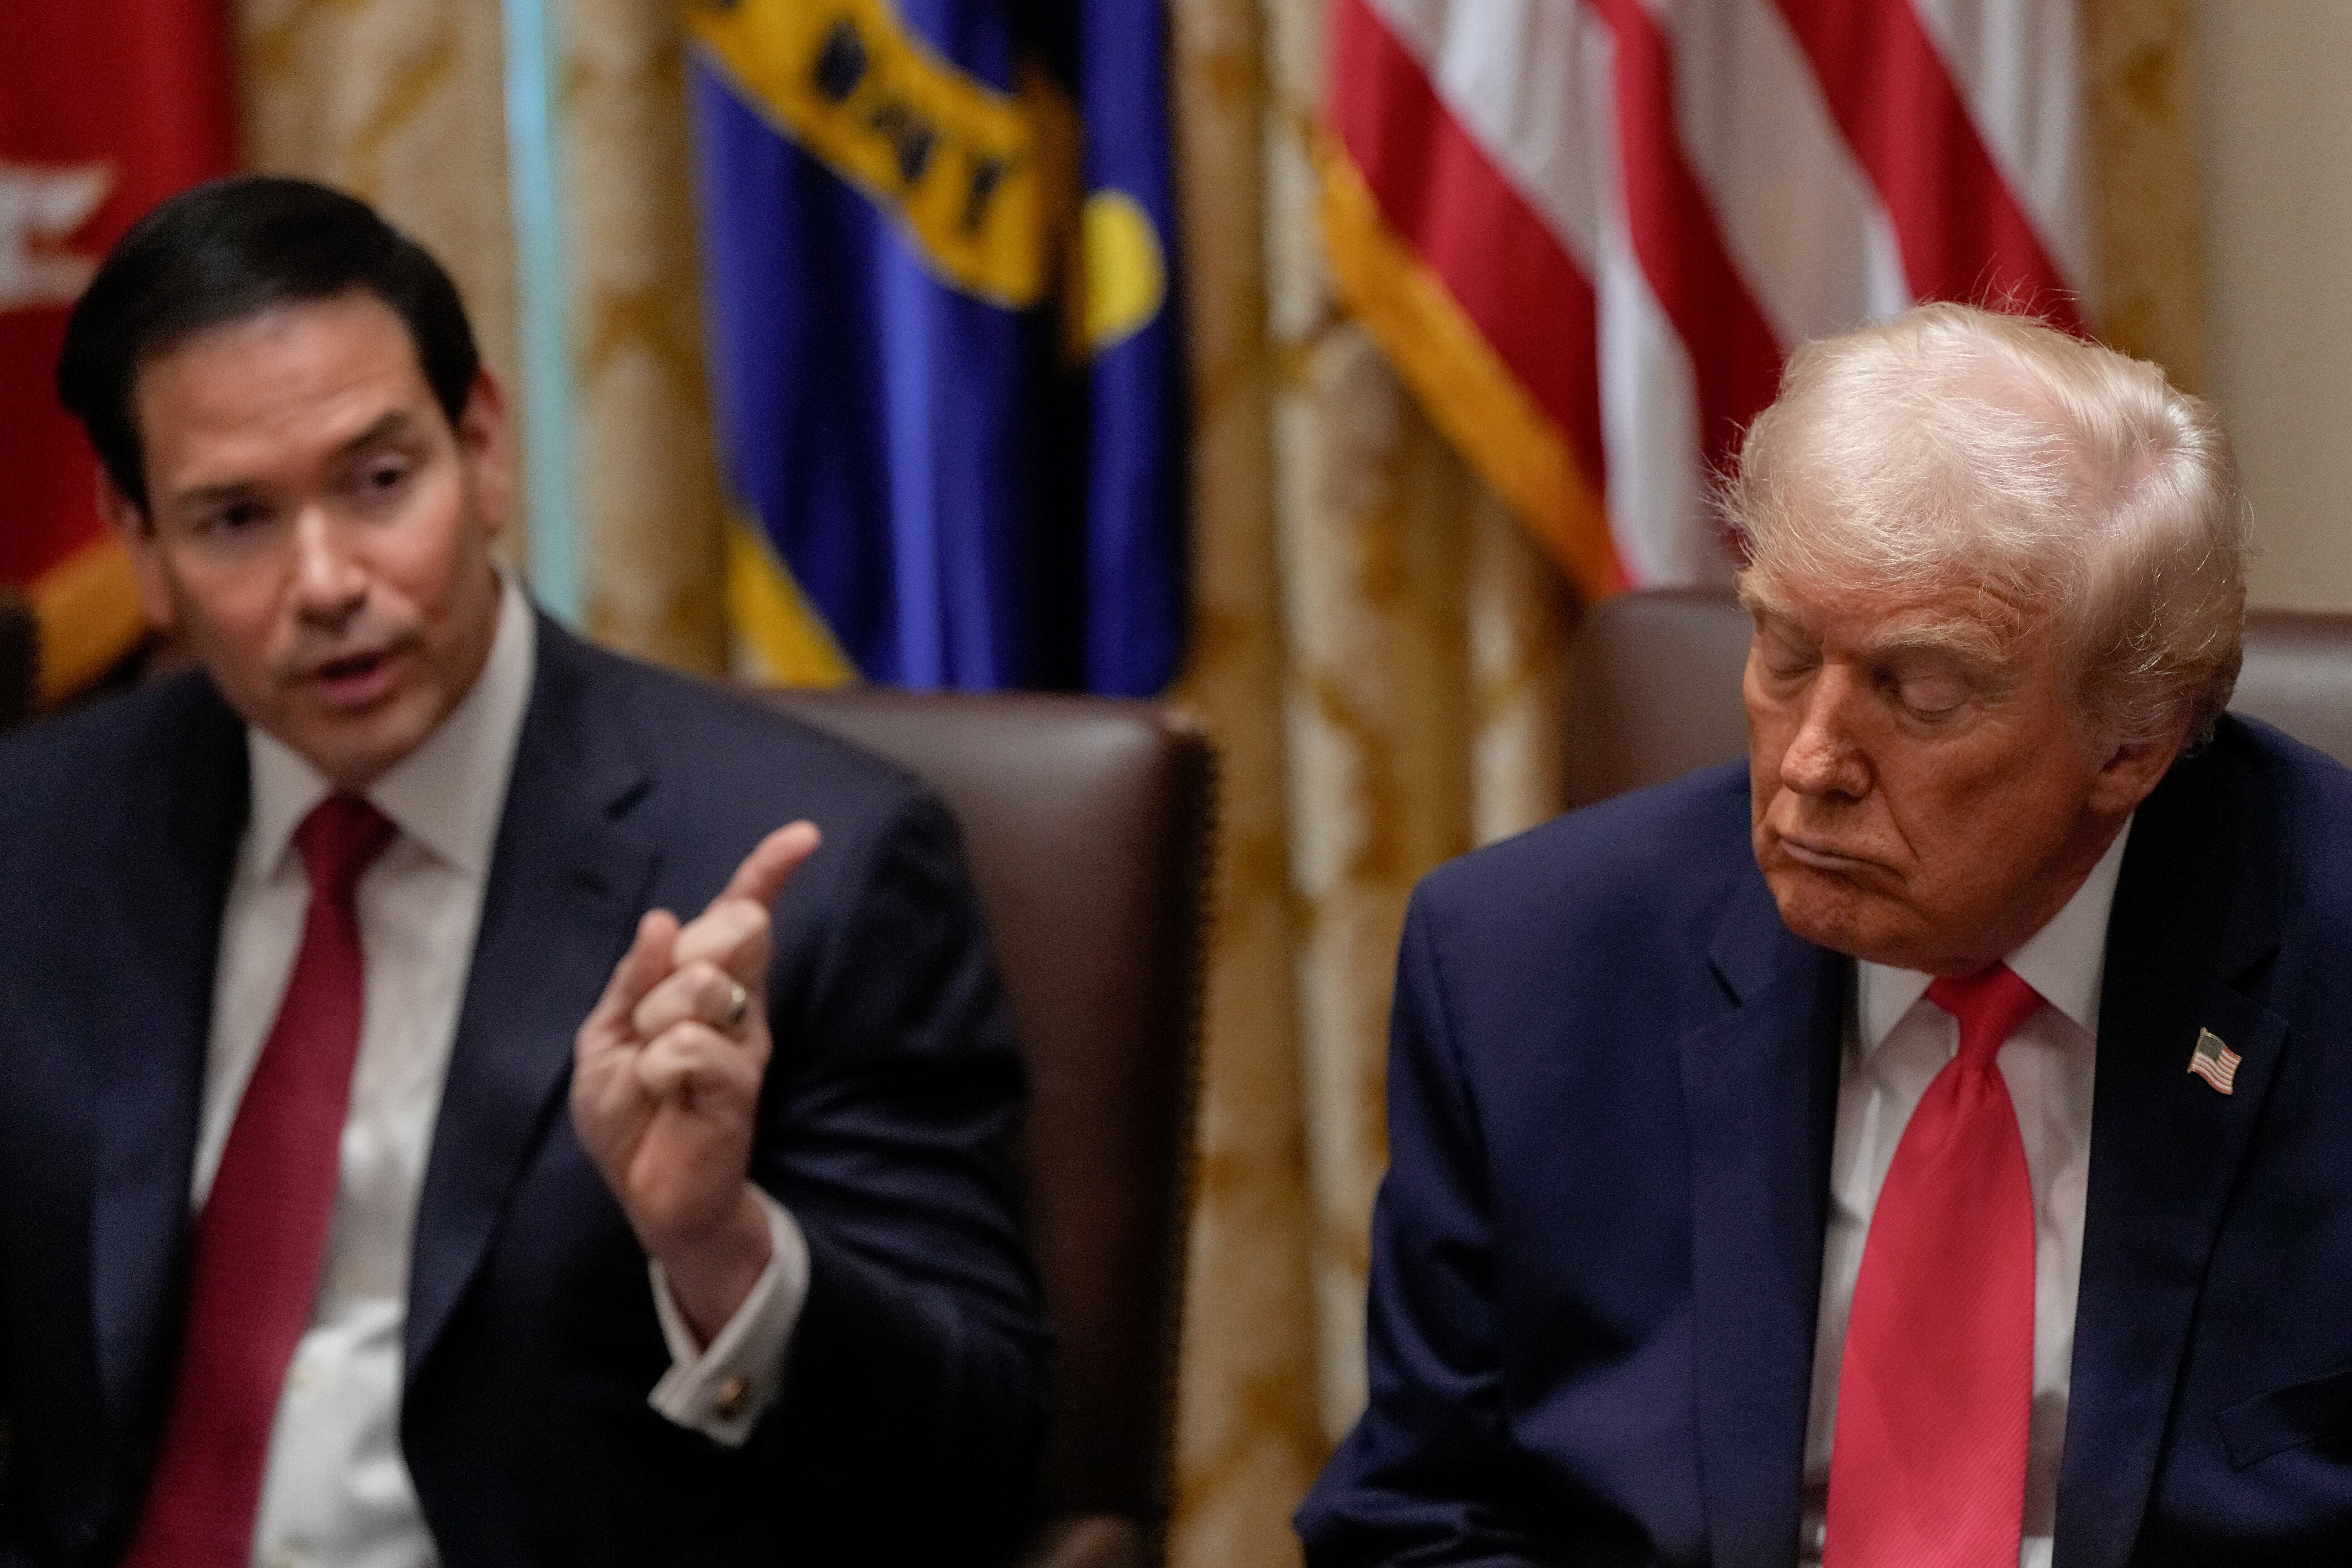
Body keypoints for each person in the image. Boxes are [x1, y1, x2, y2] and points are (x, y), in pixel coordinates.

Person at [0, 175, 1049, 1567]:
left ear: (484, 447)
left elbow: (981, 1453)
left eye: (380, 482)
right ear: (139, 546)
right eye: (235, 520)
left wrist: (719, 1246)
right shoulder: (40, 831)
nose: (326, 580)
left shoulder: (814, 865)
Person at [1298, 303, 2352, 1565]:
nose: (1810, 761)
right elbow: (1418, 1516)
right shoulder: (1522, 965)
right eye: (1785, 651)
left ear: (2132, 740)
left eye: (1924, 691)